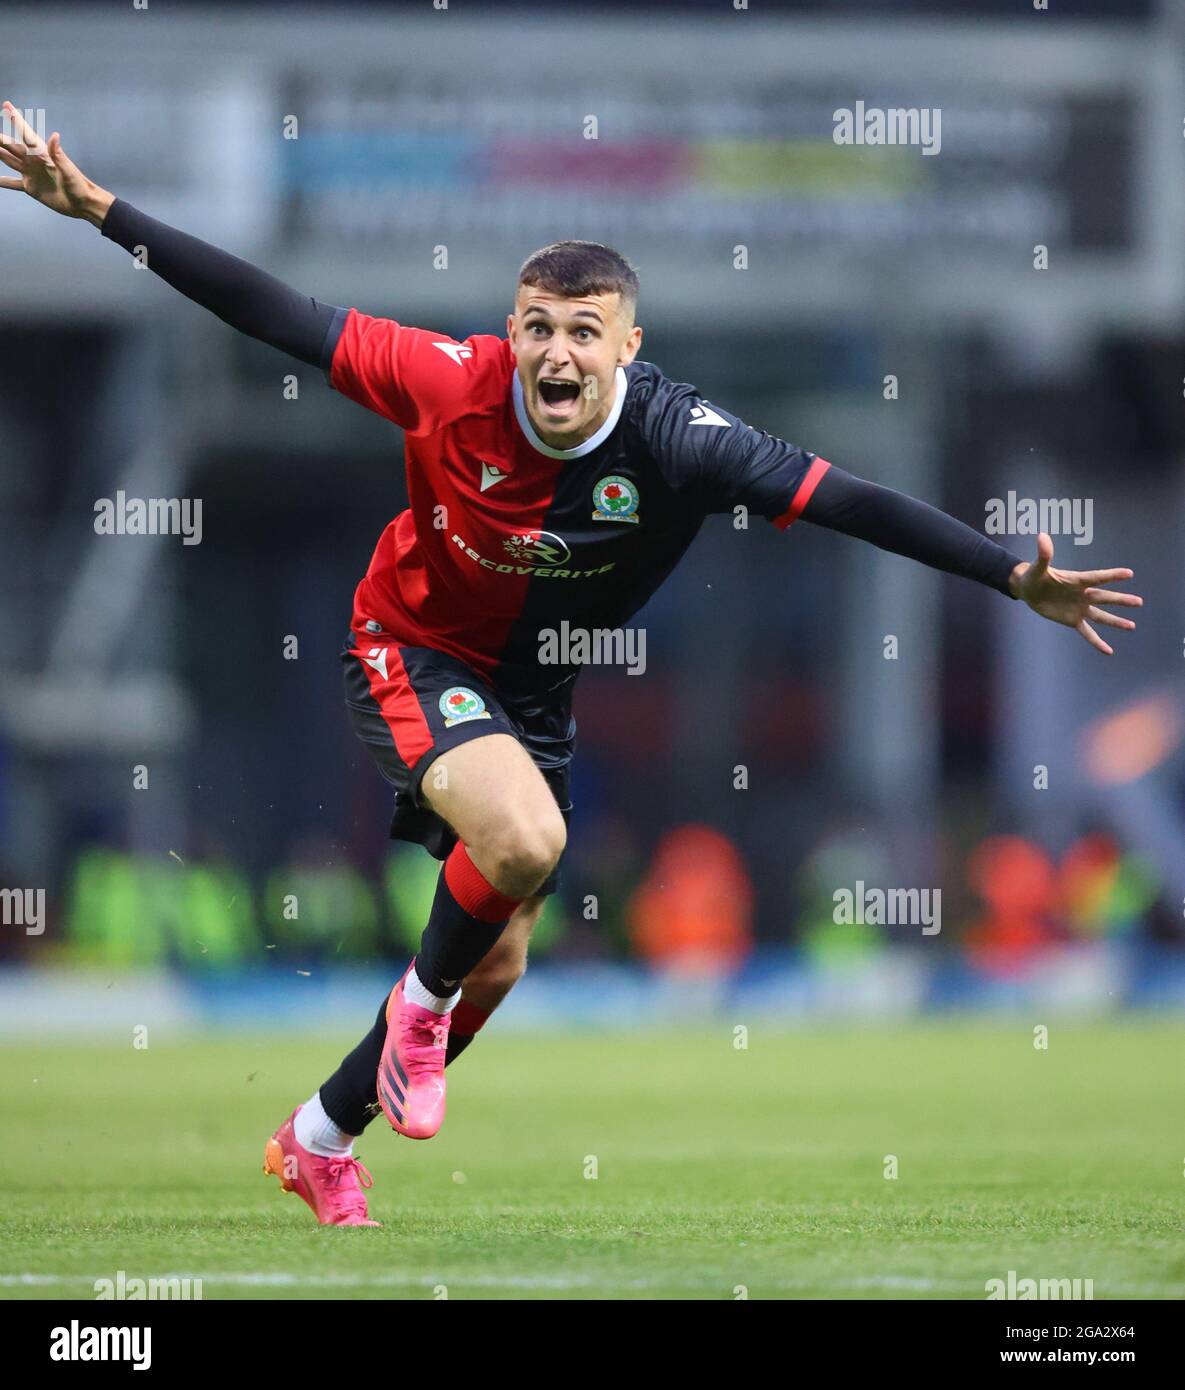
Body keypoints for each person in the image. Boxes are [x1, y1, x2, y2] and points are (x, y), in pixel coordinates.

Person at [0, 104, 1142, 1227]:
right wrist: (98, 207)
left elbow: (851, 501)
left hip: (529, 691)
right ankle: (416, 1009)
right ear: (511, 330)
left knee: (495, 967)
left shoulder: (686, 441)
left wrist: (1007, 573)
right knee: (529, 839)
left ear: (626, 348)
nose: (556, 351)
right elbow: (274, 312)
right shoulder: (448, 379)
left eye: (584, 331)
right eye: (538, 326)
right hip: (409, 644)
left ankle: (315, 1137)